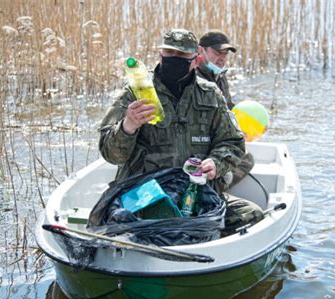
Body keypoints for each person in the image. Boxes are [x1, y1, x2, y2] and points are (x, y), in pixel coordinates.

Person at [98, 28, 263, 235]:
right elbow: (111, 154)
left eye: (182, 55)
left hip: (196, 194)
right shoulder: (135, 92)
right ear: (161, 55)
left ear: (195, 59)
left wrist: (216, 163)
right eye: (170, 53)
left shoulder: (210, 94)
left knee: (252, 215)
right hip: (146, 195)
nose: (175, 59)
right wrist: (128, 126)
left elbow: (233, 142)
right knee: (135, 223)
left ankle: (207, 245)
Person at [198, 30, 255, 190]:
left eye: (226, 53)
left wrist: (238, 130)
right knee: (244, 160)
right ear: (200, 50)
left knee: (245, 157)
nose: (222, 57)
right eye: (217, 52)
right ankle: (216, 185)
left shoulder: (220, 76)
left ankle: (220, 181)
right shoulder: (193, 76)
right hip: (200, 140)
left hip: (217, 137)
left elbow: (229, 109)